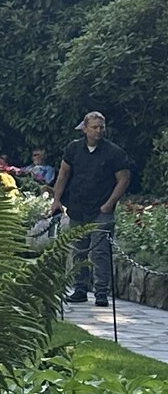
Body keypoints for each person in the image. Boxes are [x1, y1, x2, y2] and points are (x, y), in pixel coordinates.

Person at [47, 111, 133, 306]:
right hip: (77, 206)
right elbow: (64, 174)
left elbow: (124, 179)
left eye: (102, 127)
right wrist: (57, 200)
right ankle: (80, 288)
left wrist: (110, 203)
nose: (99, 131)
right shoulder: (73, 149)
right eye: (94, 127)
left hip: (102, 208)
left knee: (101, 251)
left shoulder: (114, 152)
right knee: (79, 250)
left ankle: (102, 291)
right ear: (85, 129)